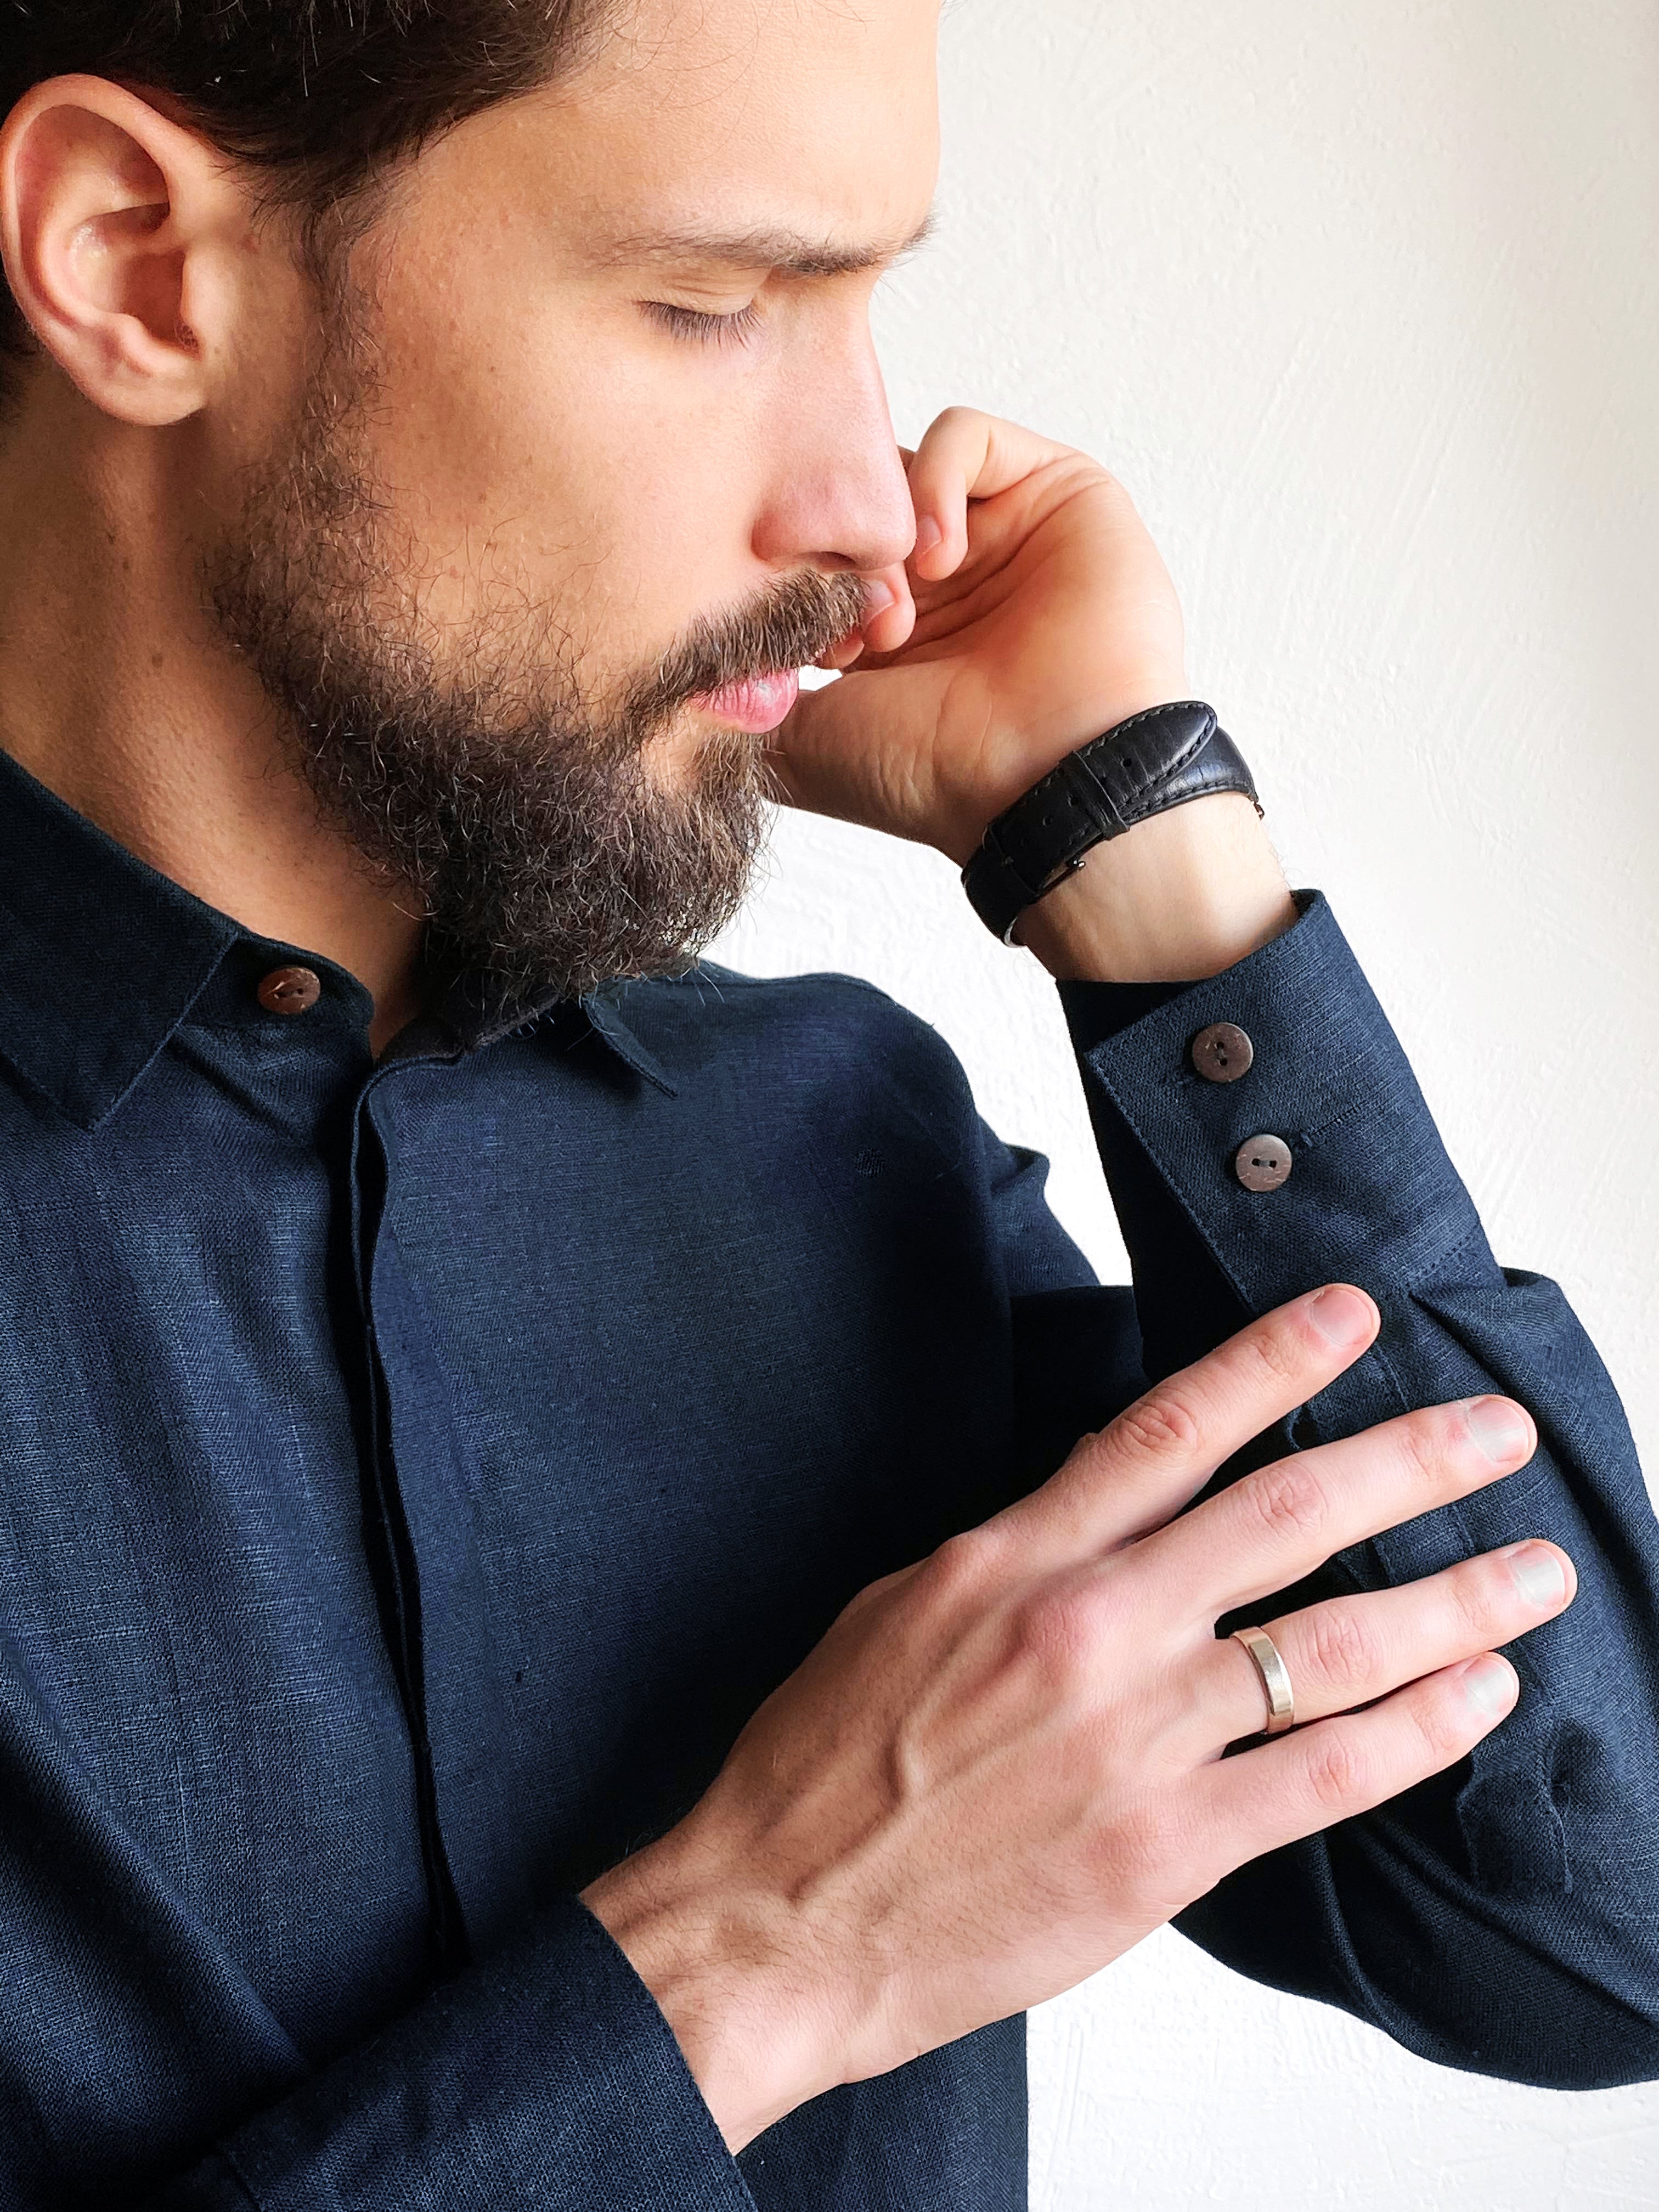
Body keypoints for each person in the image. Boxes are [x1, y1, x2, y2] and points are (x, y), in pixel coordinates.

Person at [0, 2, 1654, 2206]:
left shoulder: (825, 1157)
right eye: (713, 307)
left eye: (874, 303)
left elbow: (1588, 1918)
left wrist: (1146, 855)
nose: (871, 509)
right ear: (131, 261)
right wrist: (767, 1964)